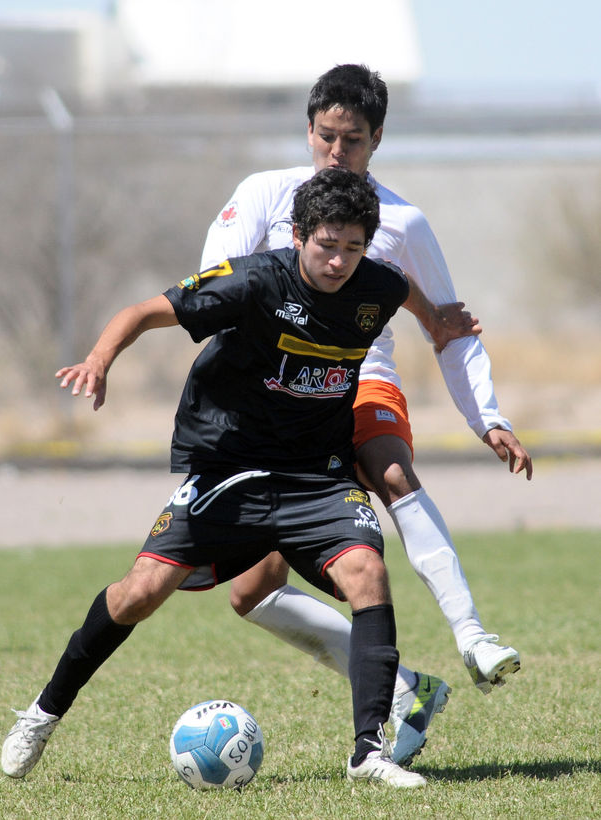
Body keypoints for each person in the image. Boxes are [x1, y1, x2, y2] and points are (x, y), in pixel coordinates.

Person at [1, 168, 429, 788]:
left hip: (318, 475)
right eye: (326, 245)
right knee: (138, 594)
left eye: (353, 247)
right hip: (230, 468)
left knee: (367, 572)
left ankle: (369, 753)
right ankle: (42, 714)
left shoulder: (378, 286)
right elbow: (146, 310)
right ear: (298, 234)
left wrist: (441, 319)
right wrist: (99, 359)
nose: (339, 261)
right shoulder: (254, 281)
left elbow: (405, 290)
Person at [200, 64, 532, 728]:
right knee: (252, 592)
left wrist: (486, 416)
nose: (336, 152)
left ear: (376, 138)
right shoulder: (266, 194)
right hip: (277, 399)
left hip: (358, 377)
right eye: (326, 136)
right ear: (308, 130)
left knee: (390, 471)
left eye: (351, 140)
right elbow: (214, 283)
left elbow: (449, 328)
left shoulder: (403, 223)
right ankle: (406, 687)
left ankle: (473, 635)